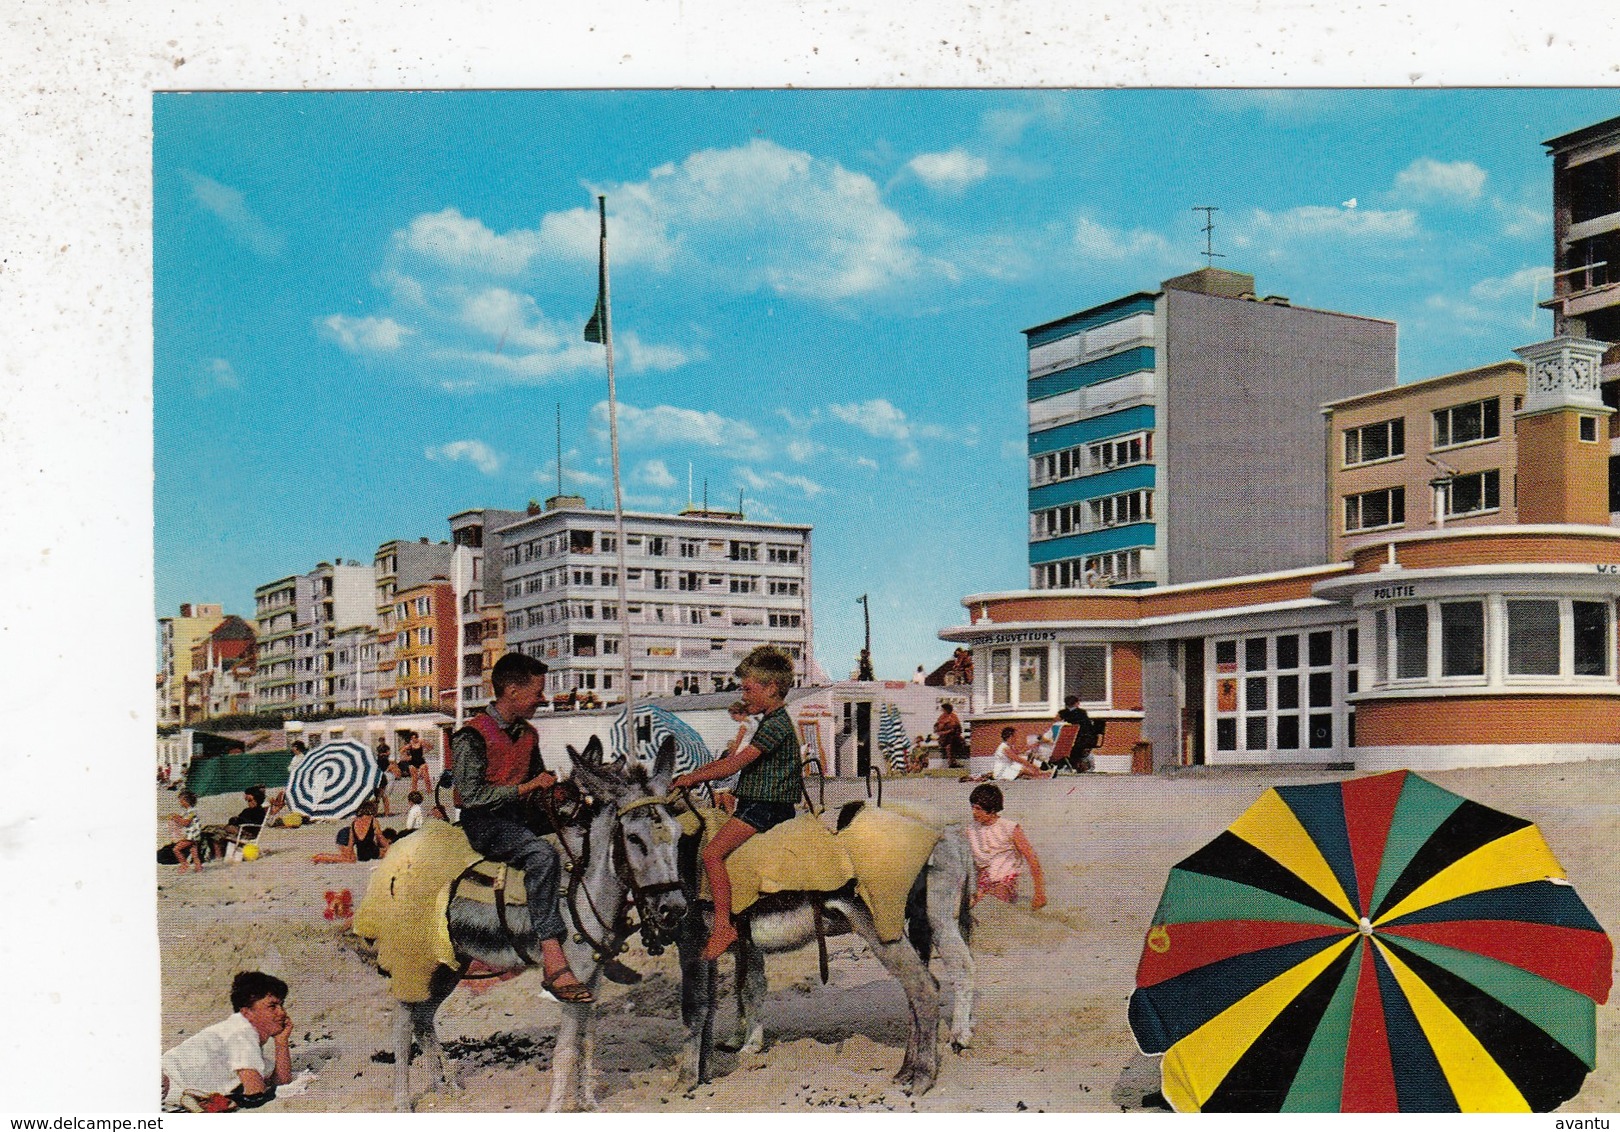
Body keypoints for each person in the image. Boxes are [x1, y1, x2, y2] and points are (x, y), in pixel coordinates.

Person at [453, 651, 596, 1003]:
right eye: (538, 692)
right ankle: (551, 955)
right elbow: (470, 796)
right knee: (542, 854)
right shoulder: (470, 735)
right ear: (513, 692)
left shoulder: (528, 734)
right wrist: (527, 789)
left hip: (518, 815)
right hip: (484, 823)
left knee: (584, 836)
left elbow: (537, 784)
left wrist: (562, 795)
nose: (542, 699)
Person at [671, 645, 801, 961]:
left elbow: (734, 765)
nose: (744, 695)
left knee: (712, 853)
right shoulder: (770, 719)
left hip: (766, 807)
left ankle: (722, 927)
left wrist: (693, 777)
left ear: (771, 688)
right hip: (756, 803)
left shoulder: (776, 725)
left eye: (748, 688)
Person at [161, 971, 293, 1110]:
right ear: (247, 1013)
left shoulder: (243, 1037)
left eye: (281, 1005)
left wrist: (281, 1042)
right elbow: (255, 1095)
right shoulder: (240, 1034)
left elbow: (281, 1082)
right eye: (272, 1006)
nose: (282, 1012)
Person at [966, 783, 1046, 910]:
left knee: (996, 903)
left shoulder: (1009, 828)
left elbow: (1032, 858)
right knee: (970, 906)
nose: (973, 812)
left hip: (1005, 877)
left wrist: (1039, 893)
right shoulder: (971, 829)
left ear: (992, 810)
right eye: (972, 807)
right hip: (983, 878)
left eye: (978, 809)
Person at [311, 799, 390, 863]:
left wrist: (348, 856)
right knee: (388, 852)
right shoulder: (373, 820)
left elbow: (351, 843)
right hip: (373, 852)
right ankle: (322, 857)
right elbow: (380, 837)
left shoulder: (354, 823)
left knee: (346, 858)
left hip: (361, 856)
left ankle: (322, 856)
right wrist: (388, 847)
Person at [168, 790, 203, 872]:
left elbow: (185, 823)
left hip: (192, 835)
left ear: (186, 801)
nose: (180, 803)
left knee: (176, 849)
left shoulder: (191, 811)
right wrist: (177, 816)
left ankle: (184, 864)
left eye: (181, 801)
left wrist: (176, 819)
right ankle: (199, 868)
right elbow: (183, 818)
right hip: (194, 835)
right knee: (194, 854)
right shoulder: (189, 811)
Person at [934, 701, 968, 768]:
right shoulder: (942, 717)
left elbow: (958, 726)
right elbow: (938, 729)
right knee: (949, 746)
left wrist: (956, 732)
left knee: (959, 742)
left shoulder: (954, 716)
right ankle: (951, 762)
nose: (943, 711)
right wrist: (947, 731)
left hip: (954, 736)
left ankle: (954, 761)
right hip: (945, 737)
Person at [401, 730, 432, 796]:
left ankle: (429, 790)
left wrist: (425, 751)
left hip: (421, 761)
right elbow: (401, 751)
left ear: (417, 737)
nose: (413, 739)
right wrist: (407, 757)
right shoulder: (410, 745)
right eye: (412, 738)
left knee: (426, 777)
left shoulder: (421, 742)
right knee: (414, 778)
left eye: (415, 738)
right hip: (413, 762)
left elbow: (430, 747)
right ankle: (414, 792)